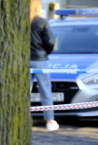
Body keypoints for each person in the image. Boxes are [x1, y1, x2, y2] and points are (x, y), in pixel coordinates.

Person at [30, 0, 59, 132]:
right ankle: (49, 120)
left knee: (25, 91)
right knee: (45, 90)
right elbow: (50, 42)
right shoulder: (42, 22)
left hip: (25, 60)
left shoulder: (21, 22)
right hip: (40, 60)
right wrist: (44, 52)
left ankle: (25, 117)